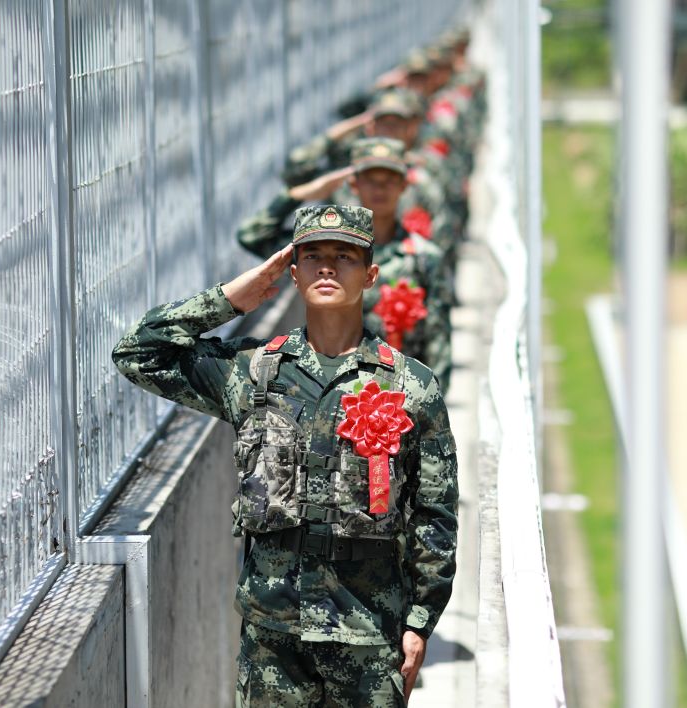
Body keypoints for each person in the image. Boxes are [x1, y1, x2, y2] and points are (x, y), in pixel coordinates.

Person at [112, 204, 459, 707]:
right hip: (273, 635)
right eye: (312, 256)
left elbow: (435, 513)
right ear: (292, 272)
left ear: (371, 273)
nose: (327, 267)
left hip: (367, 632)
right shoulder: (253, 371)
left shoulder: (410, 386)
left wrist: (420, 621)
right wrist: (231, 299)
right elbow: (137, 353)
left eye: (344, 256)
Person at [237, 137, 454, 391]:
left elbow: (438, 339)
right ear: (353, 183)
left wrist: (429, 403)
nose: (379, 188)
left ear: (404, 185)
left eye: (389, 180)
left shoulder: (423, 256)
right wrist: (302, 194)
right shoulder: (323, 249)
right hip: (325, 388)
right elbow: (252, 235)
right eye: (370, 179)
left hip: (395, 397)